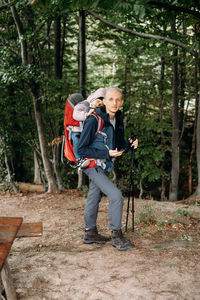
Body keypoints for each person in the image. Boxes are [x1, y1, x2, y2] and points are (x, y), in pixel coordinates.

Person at [77, 87, 138, 251]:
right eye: (110, 99)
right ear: (103, 101)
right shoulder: (93, 119)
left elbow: (117, 146)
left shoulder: (118, 118)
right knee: (116, 195)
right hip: (91, 164)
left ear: (122, 102)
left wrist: (130, 144)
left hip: (105, 163)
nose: (114, 103)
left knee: (94, 196)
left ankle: (90, 233)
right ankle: (116, 236)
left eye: (118, 100)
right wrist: (106, 152)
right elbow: (81, 150)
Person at [71, 88, 106, 169]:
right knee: (77, 141)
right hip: (77, 129)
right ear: (93, 99)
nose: (99, 104)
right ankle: (79, 160)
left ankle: (87, 157)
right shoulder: (84, 104)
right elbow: (75, 114)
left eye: (101, 104)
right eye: (98, 101)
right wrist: (85, 114)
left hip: (85, 130)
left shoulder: (97, 110)